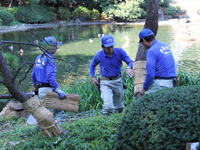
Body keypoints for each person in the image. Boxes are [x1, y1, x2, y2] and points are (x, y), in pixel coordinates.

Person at [27, 36, 69, 133]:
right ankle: (53, 133)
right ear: (49, 47)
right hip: (47, 90)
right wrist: (57, 88)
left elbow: (33, 75)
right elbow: (50, 76)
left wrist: (36, 89)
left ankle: (57, 130)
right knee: (49, 114)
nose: (56, 48)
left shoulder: (38, 58)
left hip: (40, 89)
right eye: (55, 46)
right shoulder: (49, 58)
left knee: (59, 111)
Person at [90, 34, 134, 116]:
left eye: (112, 46)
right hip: (105, 82)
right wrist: (92, 78)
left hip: (118, 81)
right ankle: (104, 122)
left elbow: (130, 61)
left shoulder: (120, 52)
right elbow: (92, 65)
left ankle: (115, 122)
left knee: (120, 108)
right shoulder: (98, 55)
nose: (110, 49)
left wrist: (128, 67)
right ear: (103, 47)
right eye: (108, 47)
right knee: (108, 106)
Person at [138, 29, 176, 96]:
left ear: (144, 40)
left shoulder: (151, 51)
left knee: (141, 98)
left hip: (161, 84)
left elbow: (150, 75)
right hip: (171, 82)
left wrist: (143, 88)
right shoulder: (165, 45)